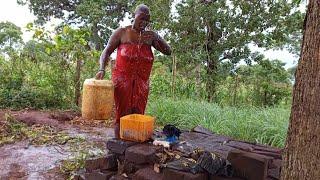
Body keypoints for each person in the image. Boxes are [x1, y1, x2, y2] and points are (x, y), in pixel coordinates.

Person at [95, 4, 171, 138]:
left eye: (147, 20)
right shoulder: (122, 32)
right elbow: (106, 51)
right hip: (122, 81)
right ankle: (118, 145)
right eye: (141, 18)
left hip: (142, 82)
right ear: (133, 16)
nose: (144, 23)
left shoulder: (150, 37)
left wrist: (156, 36)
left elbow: (168, 51)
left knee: (138, 114)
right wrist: (102, 68)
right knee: (122, 114)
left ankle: (134, 144)